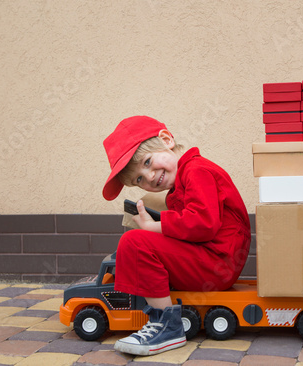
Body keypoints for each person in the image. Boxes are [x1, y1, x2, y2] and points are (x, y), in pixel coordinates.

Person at [102, 116, 251, 356]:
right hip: (211, 258)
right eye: (139, 179)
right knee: (143, 240)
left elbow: (203, 223)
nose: (149, 177)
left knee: (134, 241)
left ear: (166, 139)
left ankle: (167, 327)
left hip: (218, 261)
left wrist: (154, 227)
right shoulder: (182, 182)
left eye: (148, 162)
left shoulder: (197, 170)